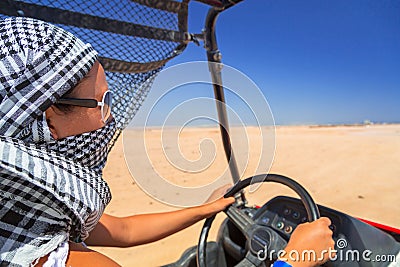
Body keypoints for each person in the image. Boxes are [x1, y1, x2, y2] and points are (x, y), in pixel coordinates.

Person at [0, 17, 334, 267]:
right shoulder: (46, 258)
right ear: (48, 119)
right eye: (101, 103)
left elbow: (122, 230)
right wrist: (292, 260)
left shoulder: (23, 211)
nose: (110, 119)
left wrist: (208, 208)